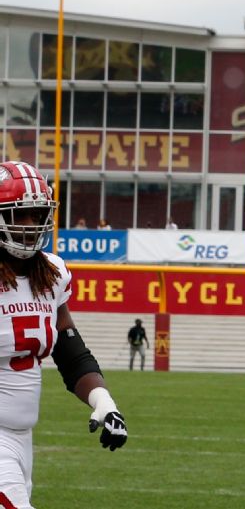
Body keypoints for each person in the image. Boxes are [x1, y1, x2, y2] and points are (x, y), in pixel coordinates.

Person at [0, 160, 128, 508]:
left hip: (20, 438)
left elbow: (70, 350)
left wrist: (104, 402)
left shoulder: (52, 274)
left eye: (37, 214)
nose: (30, 225)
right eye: (19, 215)